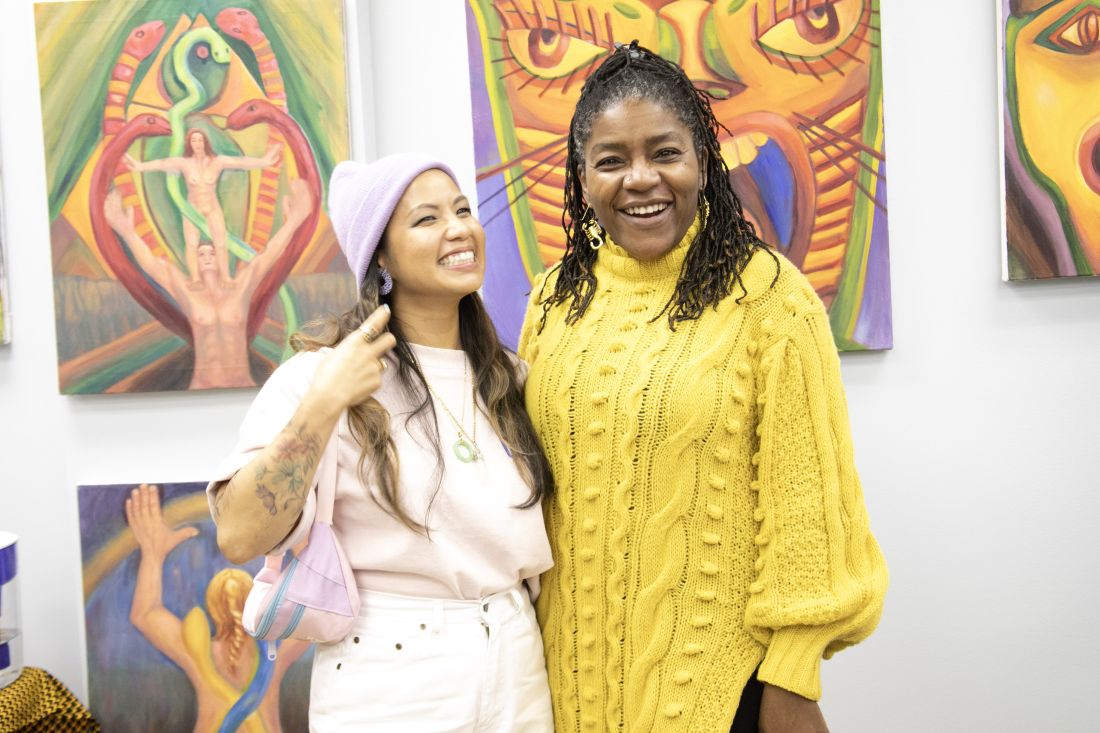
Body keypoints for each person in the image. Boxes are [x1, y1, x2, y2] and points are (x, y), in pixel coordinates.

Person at [518, 42, 888, 733]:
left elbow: (805, 508)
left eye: (664, 153)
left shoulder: (772, 299)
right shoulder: (551, 302)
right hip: (565, 691)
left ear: (703, 161)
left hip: (722, 696)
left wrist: (793, 675)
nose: (640, 179)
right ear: (581, 175)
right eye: (611, 160)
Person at [207, 154, 556, 732]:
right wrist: (324, 403)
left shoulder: (510, 378)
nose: (459, 228)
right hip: (394, 672)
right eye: (426, 219)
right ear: (382, 258)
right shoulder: (320, 377)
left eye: (462, 210)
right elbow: (239, 533)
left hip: (518, 660)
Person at [126, 483, 309, 732]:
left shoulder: (196, 649)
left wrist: (153, 554)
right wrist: (299, 540)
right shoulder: (275, 648)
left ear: (214, 609)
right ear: (253, 603)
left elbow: (145, 614)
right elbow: (315, 603)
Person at [103, 178, 311, 389]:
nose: (208, 256)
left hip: (244, 385)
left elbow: (270, 254)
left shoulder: (240, 286)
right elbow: (152, 265)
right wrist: (126, 231)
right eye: (201, 253)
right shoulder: (185, 288)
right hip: (201, 385)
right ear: (194, 258)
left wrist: (295, 220)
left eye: (212, 251)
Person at [125, 128, 281, 282]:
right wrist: (140, 166)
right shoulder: (184, 163)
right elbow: (162, 163)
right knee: (191, 245)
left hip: (212, 208)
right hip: (193, 209)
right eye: (194, 140)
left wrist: (264, 161)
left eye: (200, 140)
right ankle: (195, 278)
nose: (197, 143)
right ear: (189, 143)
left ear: (205, 142)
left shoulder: (218, 162)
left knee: (220, 243)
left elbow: (240, 162)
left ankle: (225, 277)